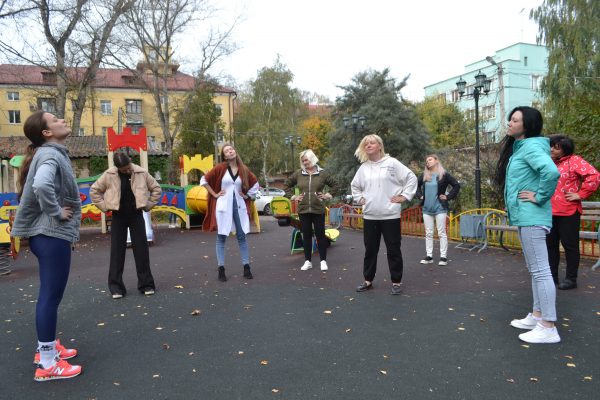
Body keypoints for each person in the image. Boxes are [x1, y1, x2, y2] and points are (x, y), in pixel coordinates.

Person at [11, 110, 82, 381]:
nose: (63, 120)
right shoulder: (51, 154)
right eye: (56, 120)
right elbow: (41, 184)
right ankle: (48, 363)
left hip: (46, 236)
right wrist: (56, 212)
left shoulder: (49, 153)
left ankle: (47, 349)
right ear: (47, 133)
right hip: (51, 235)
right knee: (50, 297)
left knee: (49, 295)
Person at [495, 106, 561, 344]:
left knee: (541, 270)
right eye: (510, 119)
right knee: (536, 270)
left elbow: (551, 173)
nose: (509, 123)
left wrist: (539, 196)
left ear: (527, 125)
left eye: (515, 120)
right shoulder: (522, 147)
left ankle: (548, 326)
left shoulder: (531, 147)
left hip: (533, 216)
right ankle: (537, 315)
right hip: (526, 216)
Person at [351, 134, 417, 295]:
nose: (368, 145)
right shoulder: (364, 167)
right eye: (366, 143)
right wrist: (360, 198)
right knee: (370, 250)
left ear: (380, 146)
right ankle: (368, 281)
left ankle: (396, 282)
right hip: (370, 215)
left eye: (372, 142)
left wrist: (404, 196)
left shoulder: (392, 163)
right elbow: (355, 185)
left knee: (393, 249)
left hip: (390, 215)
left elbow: (411, 178)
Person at [90, 152, 161, 299]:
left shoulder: (141, 172)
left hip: (136, 216)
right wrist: (105, 206)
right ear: (117, 168)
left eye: (128, 167)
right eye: (123, 169)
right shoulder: (109, 175)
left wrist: (148, 205)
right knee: (117, 252)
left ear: (130, 162)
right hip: (118, 216)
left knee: (141, 251)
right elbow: (95, 191)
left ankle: (146, 285)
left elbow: (156, 188)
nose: (127, 170)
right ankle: (116, 288)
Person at [546, 135, 600, 290]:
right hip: (549, 212)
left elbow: (594, 176)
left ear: (565, 149)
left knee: (570, 246)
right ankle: (552, 278)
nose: (551, 149)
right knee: (550, 246)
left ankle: (571, 279)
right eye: (551, 146)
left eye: (556, 147)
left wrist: (580, 194)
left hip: (569, 211)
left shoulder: (574, 160)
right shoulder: (548, 162)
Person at [201, 143, 259, 282]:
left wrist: (248, 195)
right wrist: (214, 194)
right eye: (227, 151)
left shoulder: (243, 169)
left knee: (241, 236)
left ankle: (246, 267)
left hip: (239, 206)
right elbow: (204, 180)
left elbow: (255, 184)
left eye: (231, 149)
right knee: (221, 237)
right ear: (224, 156)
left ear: (235, 151)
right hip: (223, 207)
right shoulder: (220, 168)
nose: (230, 151)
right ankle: (221, 269)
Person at [284, 149, 338, 271]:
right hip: (303, 210)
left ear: (312, 158)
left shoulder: (322, 173)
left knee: (320, 235)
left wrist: (327, 195)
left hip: (318, 209)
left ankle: (323, 261)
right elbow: (286, 185)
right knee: (306, 236)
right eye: (303, 160)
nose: (305, 162)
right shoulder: (298, 174)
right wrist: (293, 197)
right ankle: (307, 261)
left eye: (306, 159)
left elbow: (335, 185)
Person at [415, 154, 460, 266]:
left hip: (440, 207)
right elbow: (415, 185)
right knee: (429, 233)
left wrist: (448, 196)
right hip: (427, 208)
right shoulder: (425, 175)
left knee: (441, 233)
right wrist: (420, 196)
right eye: (426, 160)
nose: (428, 162)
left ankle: (443, 257)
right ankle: (429, 256)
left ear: (436, 161)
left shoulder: (443, 175)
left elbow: (456, 185)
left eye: (430, 159)